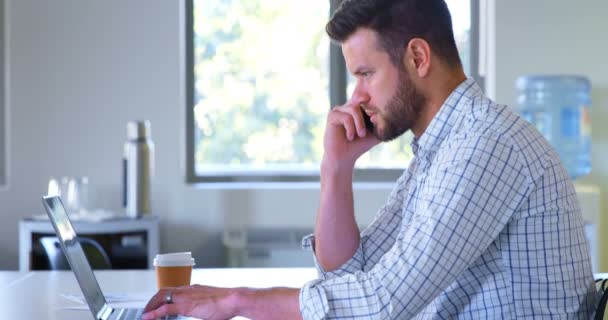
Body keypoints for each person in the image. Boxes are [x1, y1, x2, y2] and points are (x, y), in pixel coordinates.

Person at [142, 0, 597, 318]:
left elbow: (381, 304)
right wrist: (335, 169)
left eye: (365, 73)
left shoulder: (485, 145)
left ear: (418, 56)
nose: (355, 95)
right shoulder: (440, 149)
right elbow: (351, 272)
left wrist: (235, 300)